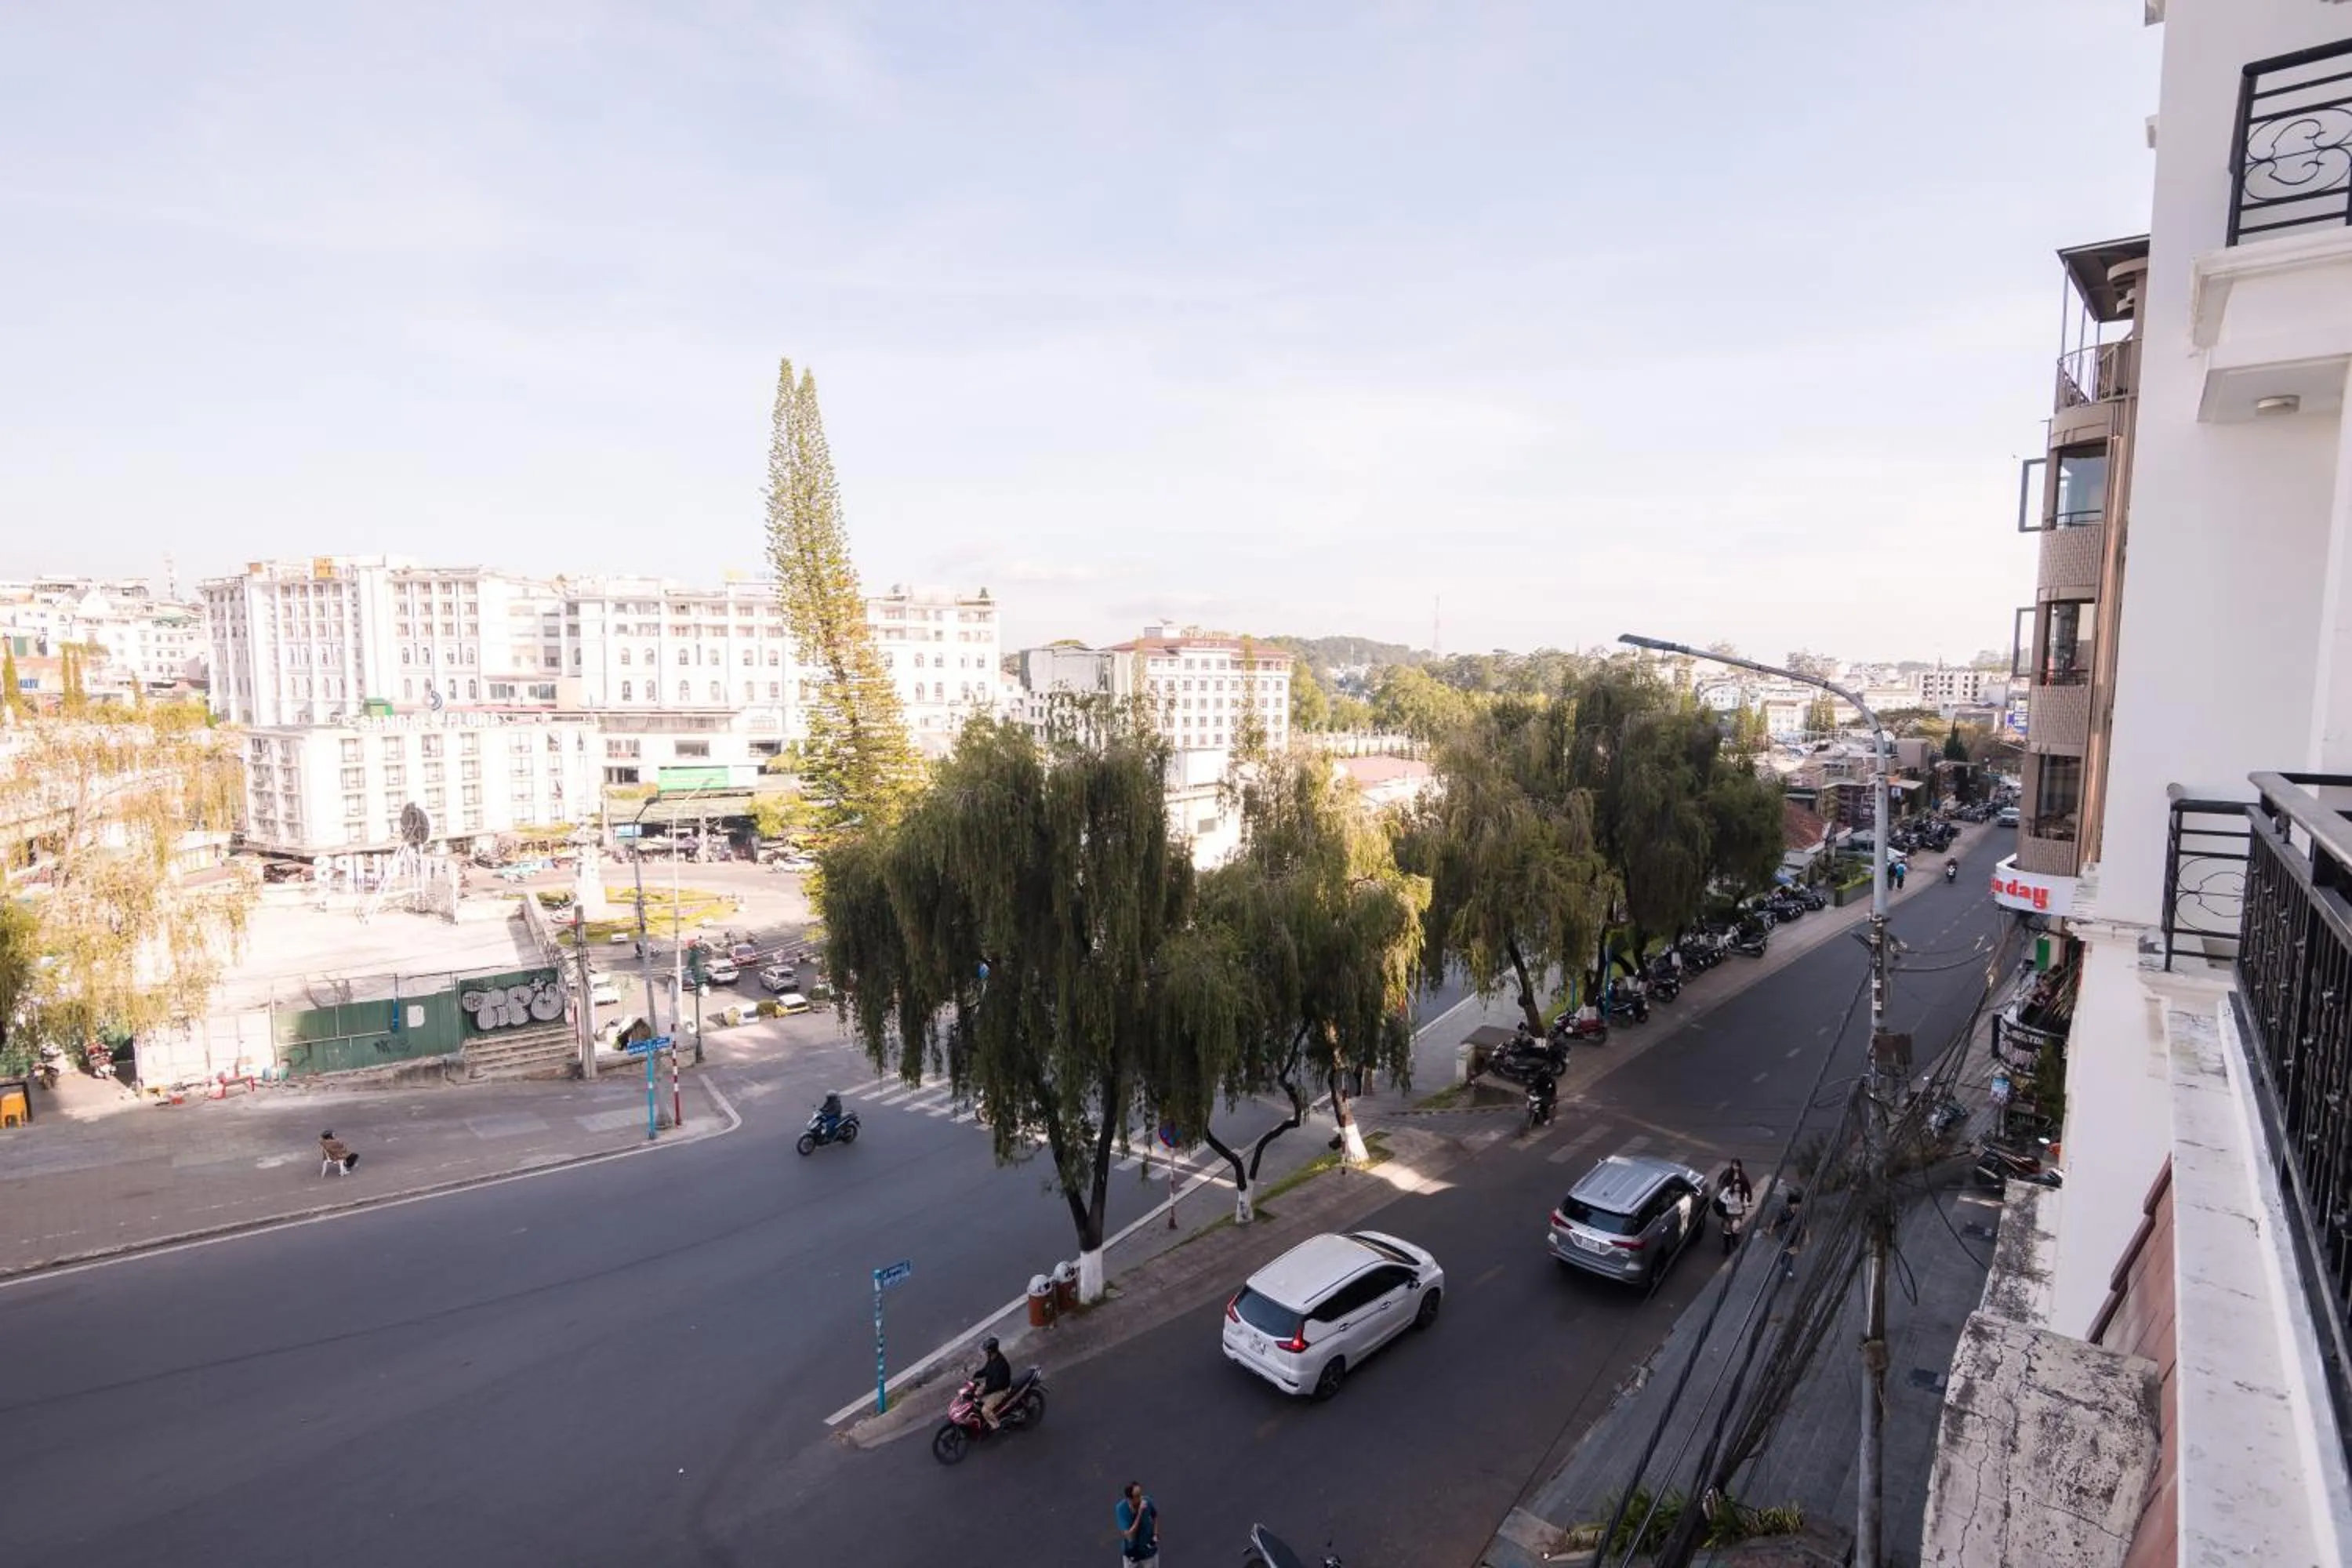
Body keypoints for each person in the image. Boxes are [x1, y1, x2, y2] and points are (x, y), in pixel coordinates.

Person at [974, 1335, 1014, 1429]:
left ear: (991, 1351)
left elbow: (996, 1385)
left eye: (986, 1351)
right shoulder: (992, 1358)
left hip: (1001, 1391)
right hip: (991, 1385)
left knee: (985, 1410)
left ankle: (996, 1426)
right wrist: (976, 1375)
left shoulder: (1001, 1365)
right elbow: (986, 1370)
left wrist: (985, 1391)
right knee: (975, 1395)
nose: (985, 1353)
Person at [1116, 1482, 1160, 1563]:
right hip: (1131, 1554)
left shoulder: (1147, 1501)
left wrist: (1155, 1534)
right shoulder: (1121, 1509)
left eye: (1140, 1494)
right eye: (1137, 1496)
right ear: (1129, 1499)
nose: (1141, 1498)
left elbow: (1155, 1515)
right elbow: (1129, 1535)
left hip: (1148, 1552)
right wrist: (1140, 1513)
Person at [1770, 1189, 1808, 1279]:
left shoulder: (1802, 1213)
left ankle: (1784, 1262)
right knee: (1790, 1251)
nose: (1797, 1206)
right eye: (1795, 1204)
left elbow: (1805, 1224)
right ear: (1790, 1204)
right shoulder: (1784, 1211)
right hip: (1785, 1234)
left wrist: (1807, 1237)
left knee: (1790, 1252)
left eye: (1798, 1204)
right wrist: (1771, 1229)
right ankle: (1788, 1268)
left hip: (1796, 1235)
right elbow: (1776, 1220)